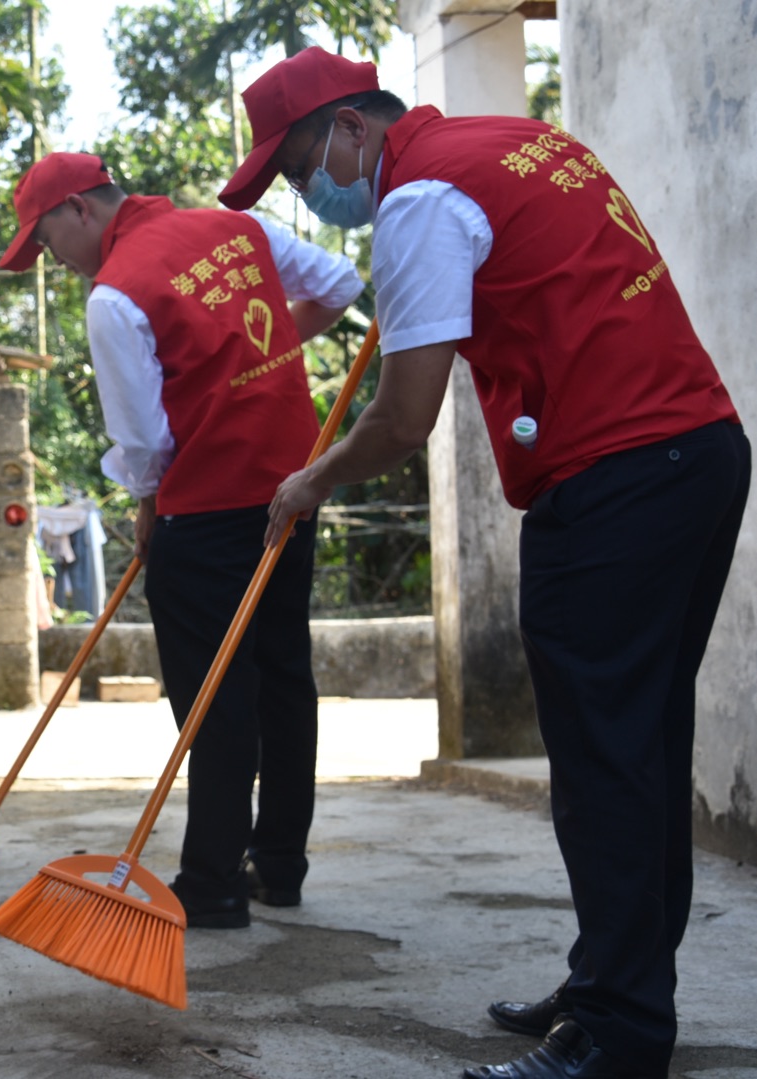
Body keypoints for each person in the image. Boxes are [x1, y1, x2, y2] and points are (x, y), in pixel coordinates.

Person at [222, 46, 749, 1079]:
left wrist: (310, 479)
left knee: (605, 763)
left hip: (616, 478)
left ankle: (616, 1028)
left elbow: (404, 416)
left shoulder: (420, 197)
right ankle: (614, 975)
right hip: (695, 454)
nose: (306, 194)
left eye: (297, 169)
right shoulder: (514, 142)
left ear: (351, 130)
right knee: (637, 747)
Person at [0, 152, 362, 927]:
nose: (49, 260)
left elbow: (143, 442)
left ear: (79, 212)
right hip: (291, 490)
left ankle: (211, 883)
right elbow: (340, 285)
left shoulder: (115, 294)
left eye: (43, 240)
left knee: (213, 699)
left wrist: (145, 511)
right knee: (283, 676)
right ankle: (280, 865)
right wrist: (260, 361)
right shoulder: (240, 229)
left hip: (204, 512)